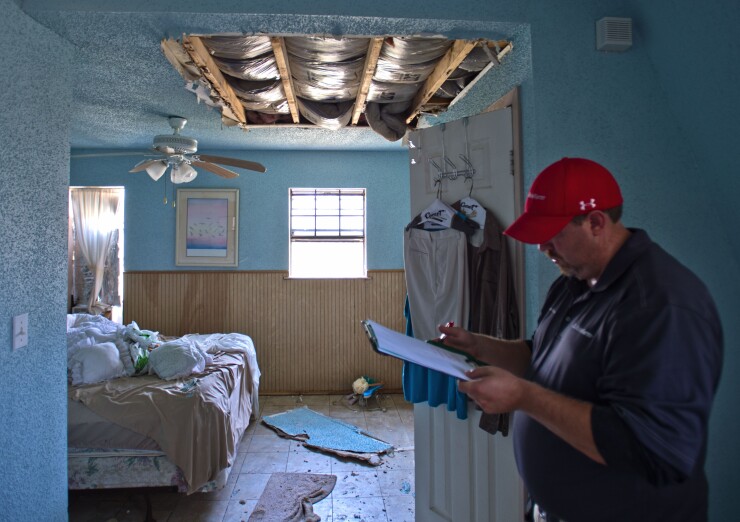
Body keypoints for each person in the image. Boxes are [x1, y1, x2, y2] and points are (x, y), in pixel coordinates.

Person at [439, 157, 723, 522]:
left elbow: (654, 448)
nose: (543, 248)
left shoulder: (661, 305)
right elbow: (540, 358)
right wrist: (478, 346)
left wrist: (524, 396)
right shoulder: (573, 281)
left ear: (595, 223)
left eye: (552, 234)